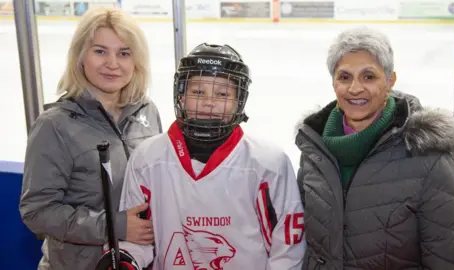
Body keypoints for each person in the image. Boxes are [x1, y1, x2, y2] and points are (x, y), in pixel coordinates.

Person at [96, 43, 306, 269]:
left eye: (222, 94)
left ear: (239, 102)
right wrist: (127, 260)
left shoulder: (269, 163)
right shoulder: (148, 158)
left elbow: (288, 247)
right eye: (198, 92)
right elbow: (137, 235)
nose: (209, 102)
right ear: (181, 97)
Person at [295, 27, 454, 269]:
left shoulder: (429, 158)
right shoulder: (314, 150)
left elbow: (448, 262)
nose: (355, 88)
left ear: (390, 81)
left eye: (369, 76)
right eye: (344, 77)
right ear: (334, 83)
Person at [19, 7, 162, 270]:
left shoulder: (147, 111)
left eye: (124, 53)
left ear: (136, 61)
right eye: (100, 51)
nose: (112, 63)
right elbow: (37, 211)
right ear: (80, 56)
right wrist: (116, 226)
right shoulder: (55, 125)